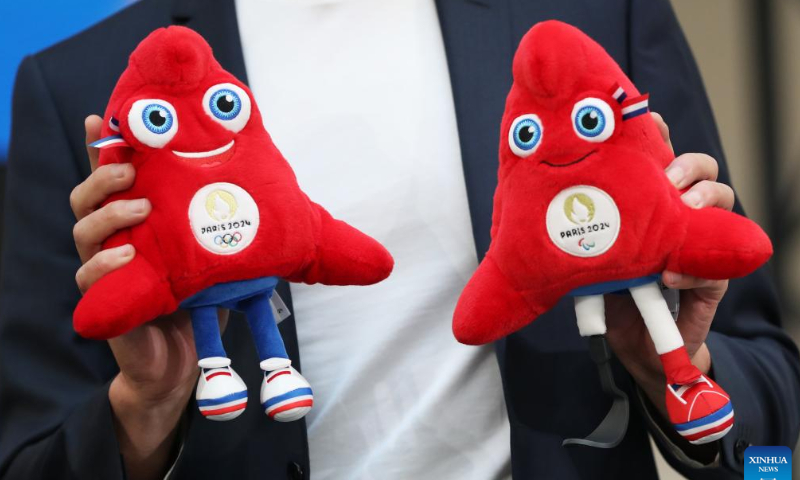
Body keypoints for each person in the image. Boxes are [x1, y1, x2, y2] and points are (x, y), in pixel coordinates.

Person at [0, 0, 798, 479]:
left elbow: (775, 426)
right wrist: (145, 415)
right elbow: (28, 454)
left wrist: (682, 365)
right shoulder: (80, 87)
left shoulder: (590, 15)